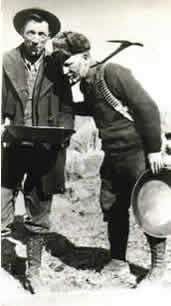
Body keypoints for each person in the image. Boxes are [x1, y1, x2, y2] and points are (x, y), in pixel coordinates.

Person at [52, 31, 169, 286]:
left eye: (68, 63)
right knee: (113, 207)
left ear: (84, 57)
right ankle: (118, 262)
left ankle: (159, 268)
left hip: (137, 152)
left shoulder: (113, 73)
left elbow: (146, 106)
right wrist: (68, 104)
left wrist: (153, 149)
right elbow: (95, 108)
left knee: (149, 207)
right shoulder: (87, 84)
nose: (65, 71)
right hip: (113, 155)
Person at [1, 8, 74, 293]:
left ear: (49, 37)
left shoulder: (58, 64)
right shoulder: (7, 61)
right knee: (2, 204)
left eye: (42, 34)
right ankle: (5, 269)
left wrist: (63, 135)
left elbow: (67, 106)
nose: (36, 39)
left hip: (46, 148)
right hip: (12, 145)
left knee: (39, 211)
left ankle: (34, 272)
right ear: (22, 33)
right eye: (31, 32)